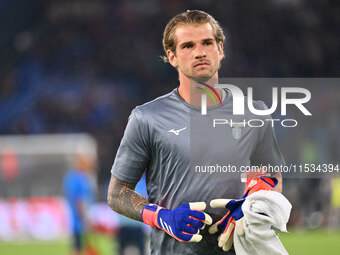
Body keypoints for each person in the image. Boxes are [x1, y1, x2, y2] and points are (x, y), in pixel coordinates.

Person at [107, 10, 283, 255]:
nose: (200, 52)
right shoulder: (146, 118)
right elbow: (118, 193)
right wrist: (163, 217)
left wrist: (252, 204)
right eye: (188, 46)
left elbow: (271, 178)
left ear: (220, 49)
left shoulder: (256, 113)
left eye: (207, 43)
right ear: (172, 57)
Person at [63, 154, 96, 255]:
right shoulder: (79, 179)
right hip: (79, 220)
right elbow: (79, 201)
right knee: (79, 247)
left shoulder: (70, 177)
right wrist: (85, 218)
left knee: (78, 246)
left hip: (75, 219)